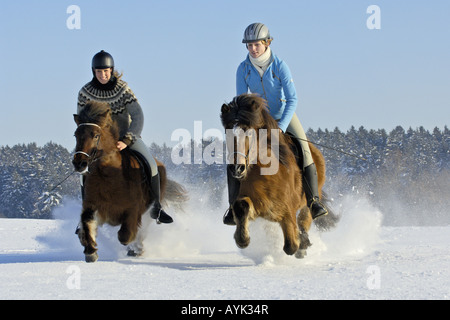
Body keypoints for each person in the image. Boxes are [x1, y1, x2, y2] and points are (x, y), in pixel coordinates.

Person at [223, 23, 328, 225]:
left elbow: (292, 99)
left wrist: (281, 125)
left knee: (305, 151)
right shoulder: (243, 69)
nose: (253, 49)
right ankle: (232, 206)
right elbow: (241, 101)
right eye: (249, 45)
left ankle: (313, 201)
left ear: (266, 43)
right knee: (236, 156)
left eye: (256, 45)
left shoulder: (280, 66)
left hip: (283, 116)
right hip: (257, 121)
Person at [77, 50, 173, 224]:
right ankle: (87, 213)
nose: (103, 75)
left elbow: (138, 116)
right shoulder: (85, 93)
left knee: (152, 165)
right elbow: (83, 124)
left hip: (125, 138)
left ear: (111, 70)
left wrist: (127, 140)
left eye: (106, 71)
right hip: (98, 144)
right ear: (93, 71)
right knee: (83, 171)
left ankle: (157, 208)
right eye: (99, 71)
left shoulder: (122, 89)